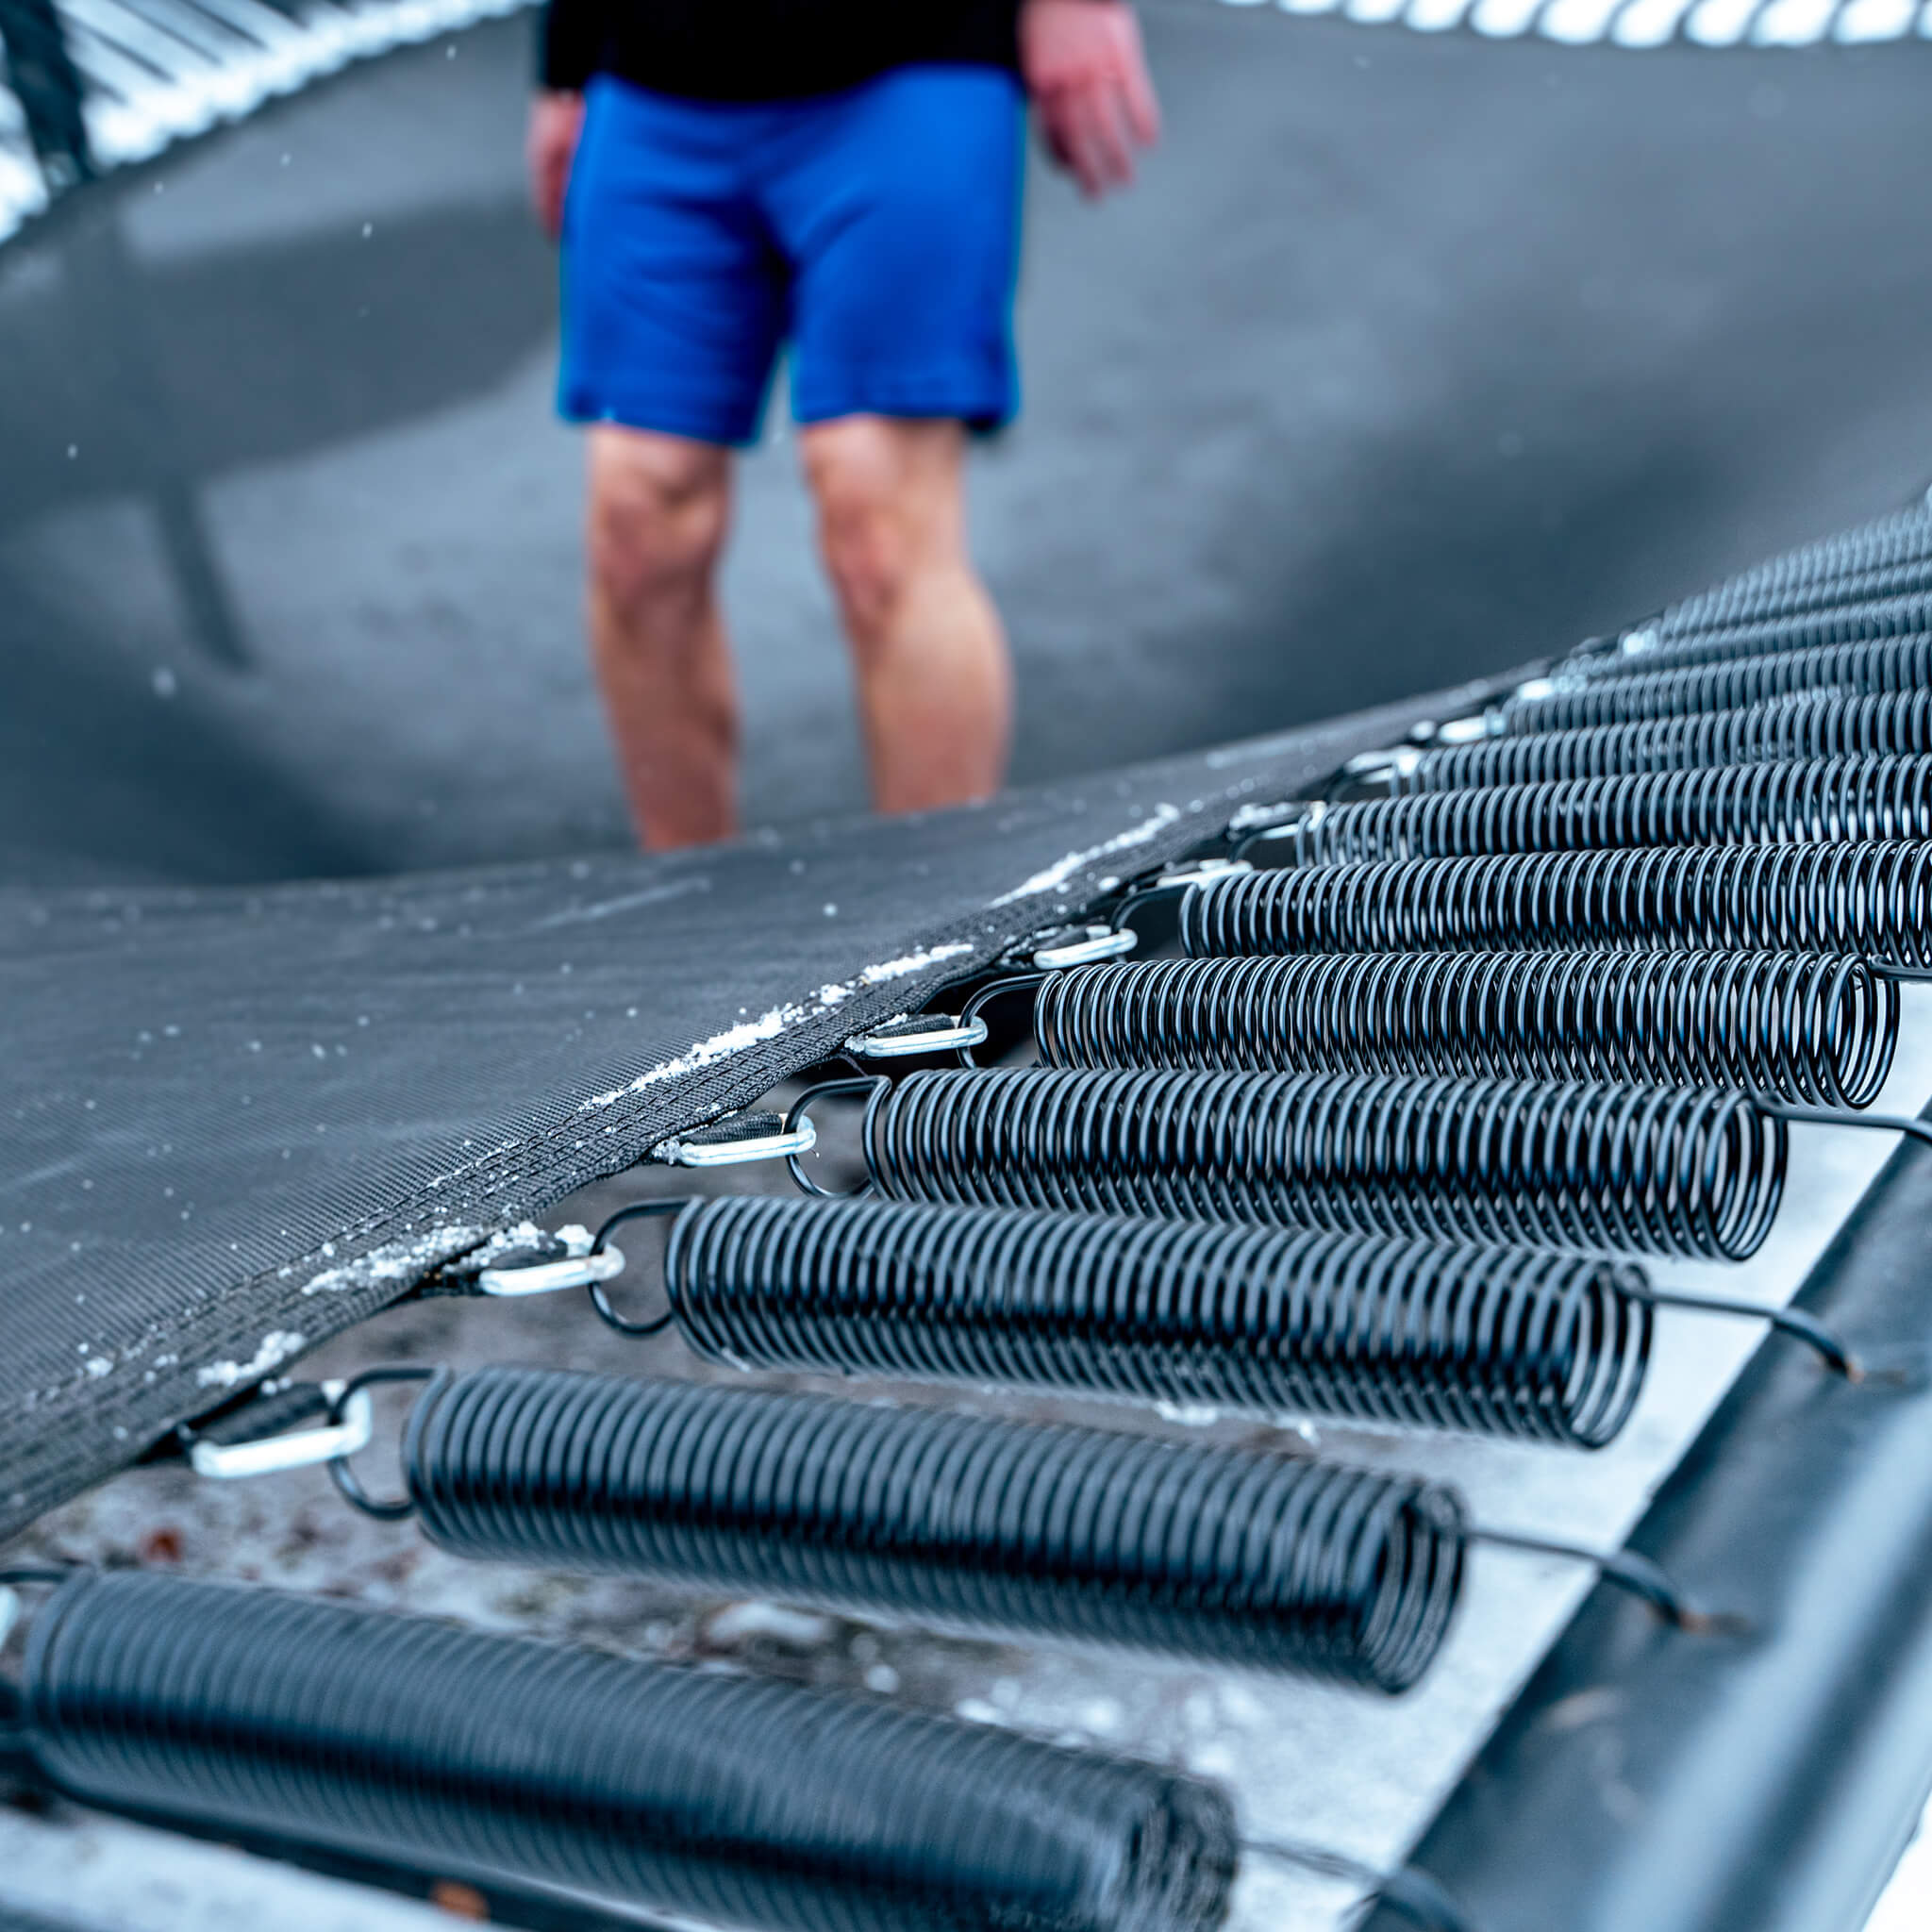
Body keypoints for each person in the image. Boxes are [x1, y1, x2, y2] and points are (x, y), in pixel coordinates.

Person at [526, 0, 1160, 849]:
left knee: (879, 518)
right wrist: (563, 65)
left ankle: (938, 946)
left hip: (912, 64)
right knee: (639, 528)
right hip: (655, 77)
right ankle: (681, 910)